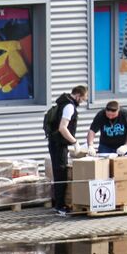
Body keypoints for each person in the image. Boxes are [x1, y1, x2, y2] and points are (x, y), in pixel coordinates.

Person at [44, 84, 87, 215]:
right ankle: (60, 206)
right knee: (61, 173)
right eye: (84, 98)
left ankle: (59, 204)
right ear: (78, 95)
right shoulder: (69, 106)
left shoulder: (63, 102)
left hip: (55, 143)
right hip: (58, 144)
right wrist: (75, 142)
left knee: (59, 172)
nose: (84, 101)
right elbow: (63, 127)